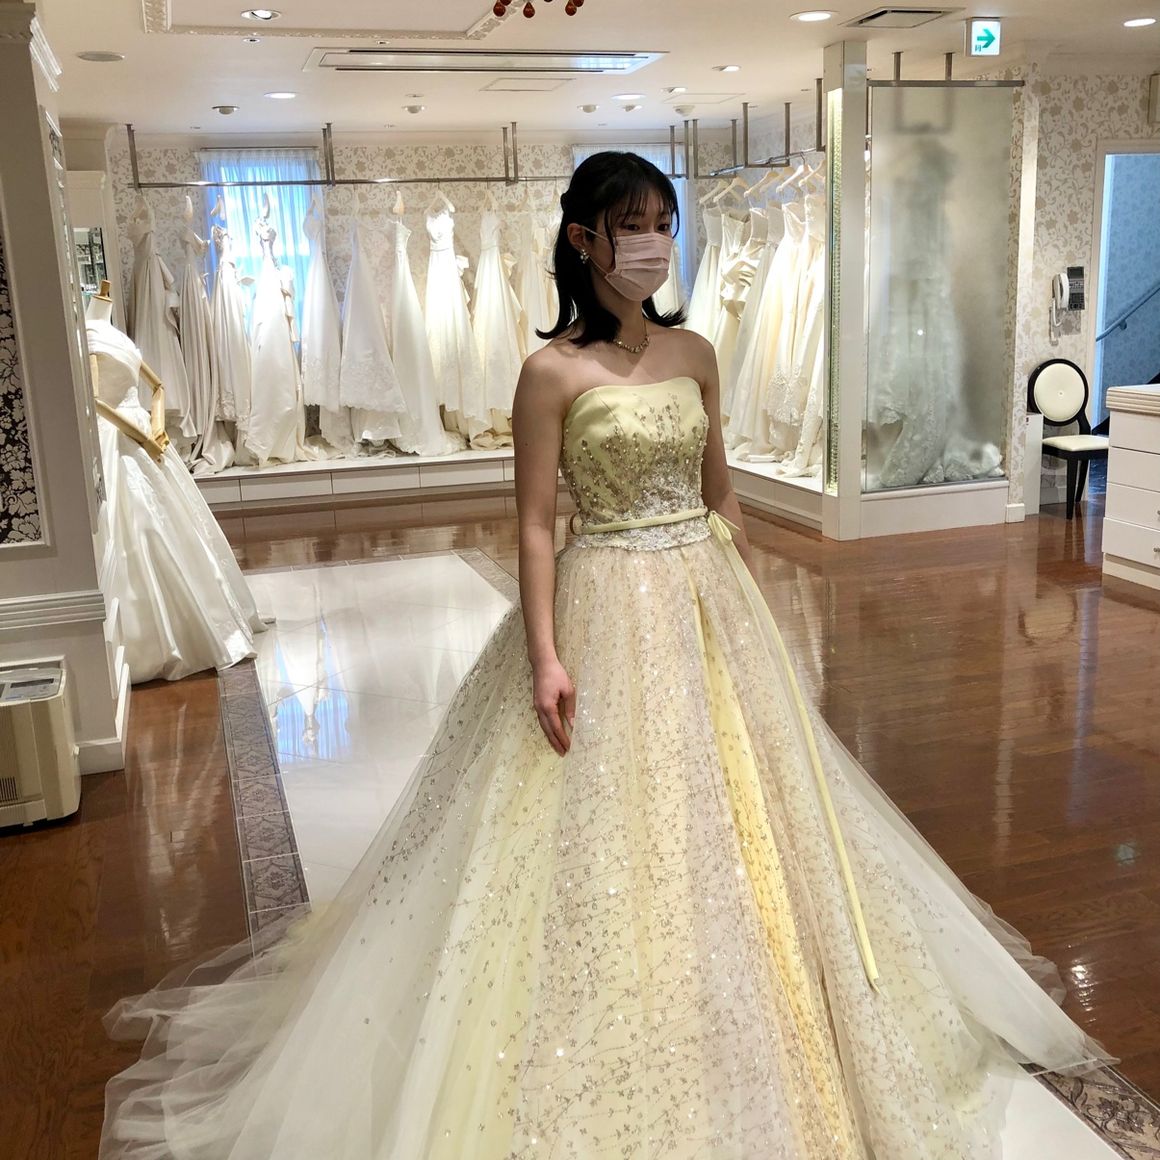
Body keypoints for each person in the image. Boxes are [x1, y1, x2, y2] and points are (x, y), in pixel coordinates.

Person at [100, 153, 1110, 1159]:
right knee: (600, 808)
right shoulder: (550, 372)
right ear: (584, 238)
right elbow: (537, 525)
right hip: (605, 594)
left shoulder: (696, 352)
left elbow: (720, 490)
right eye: (633, 226)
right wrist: (544, 654)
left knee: (741, 801)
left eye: (664, 225)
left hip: (705, 597)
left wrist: (743, 594)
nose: (653, 244)